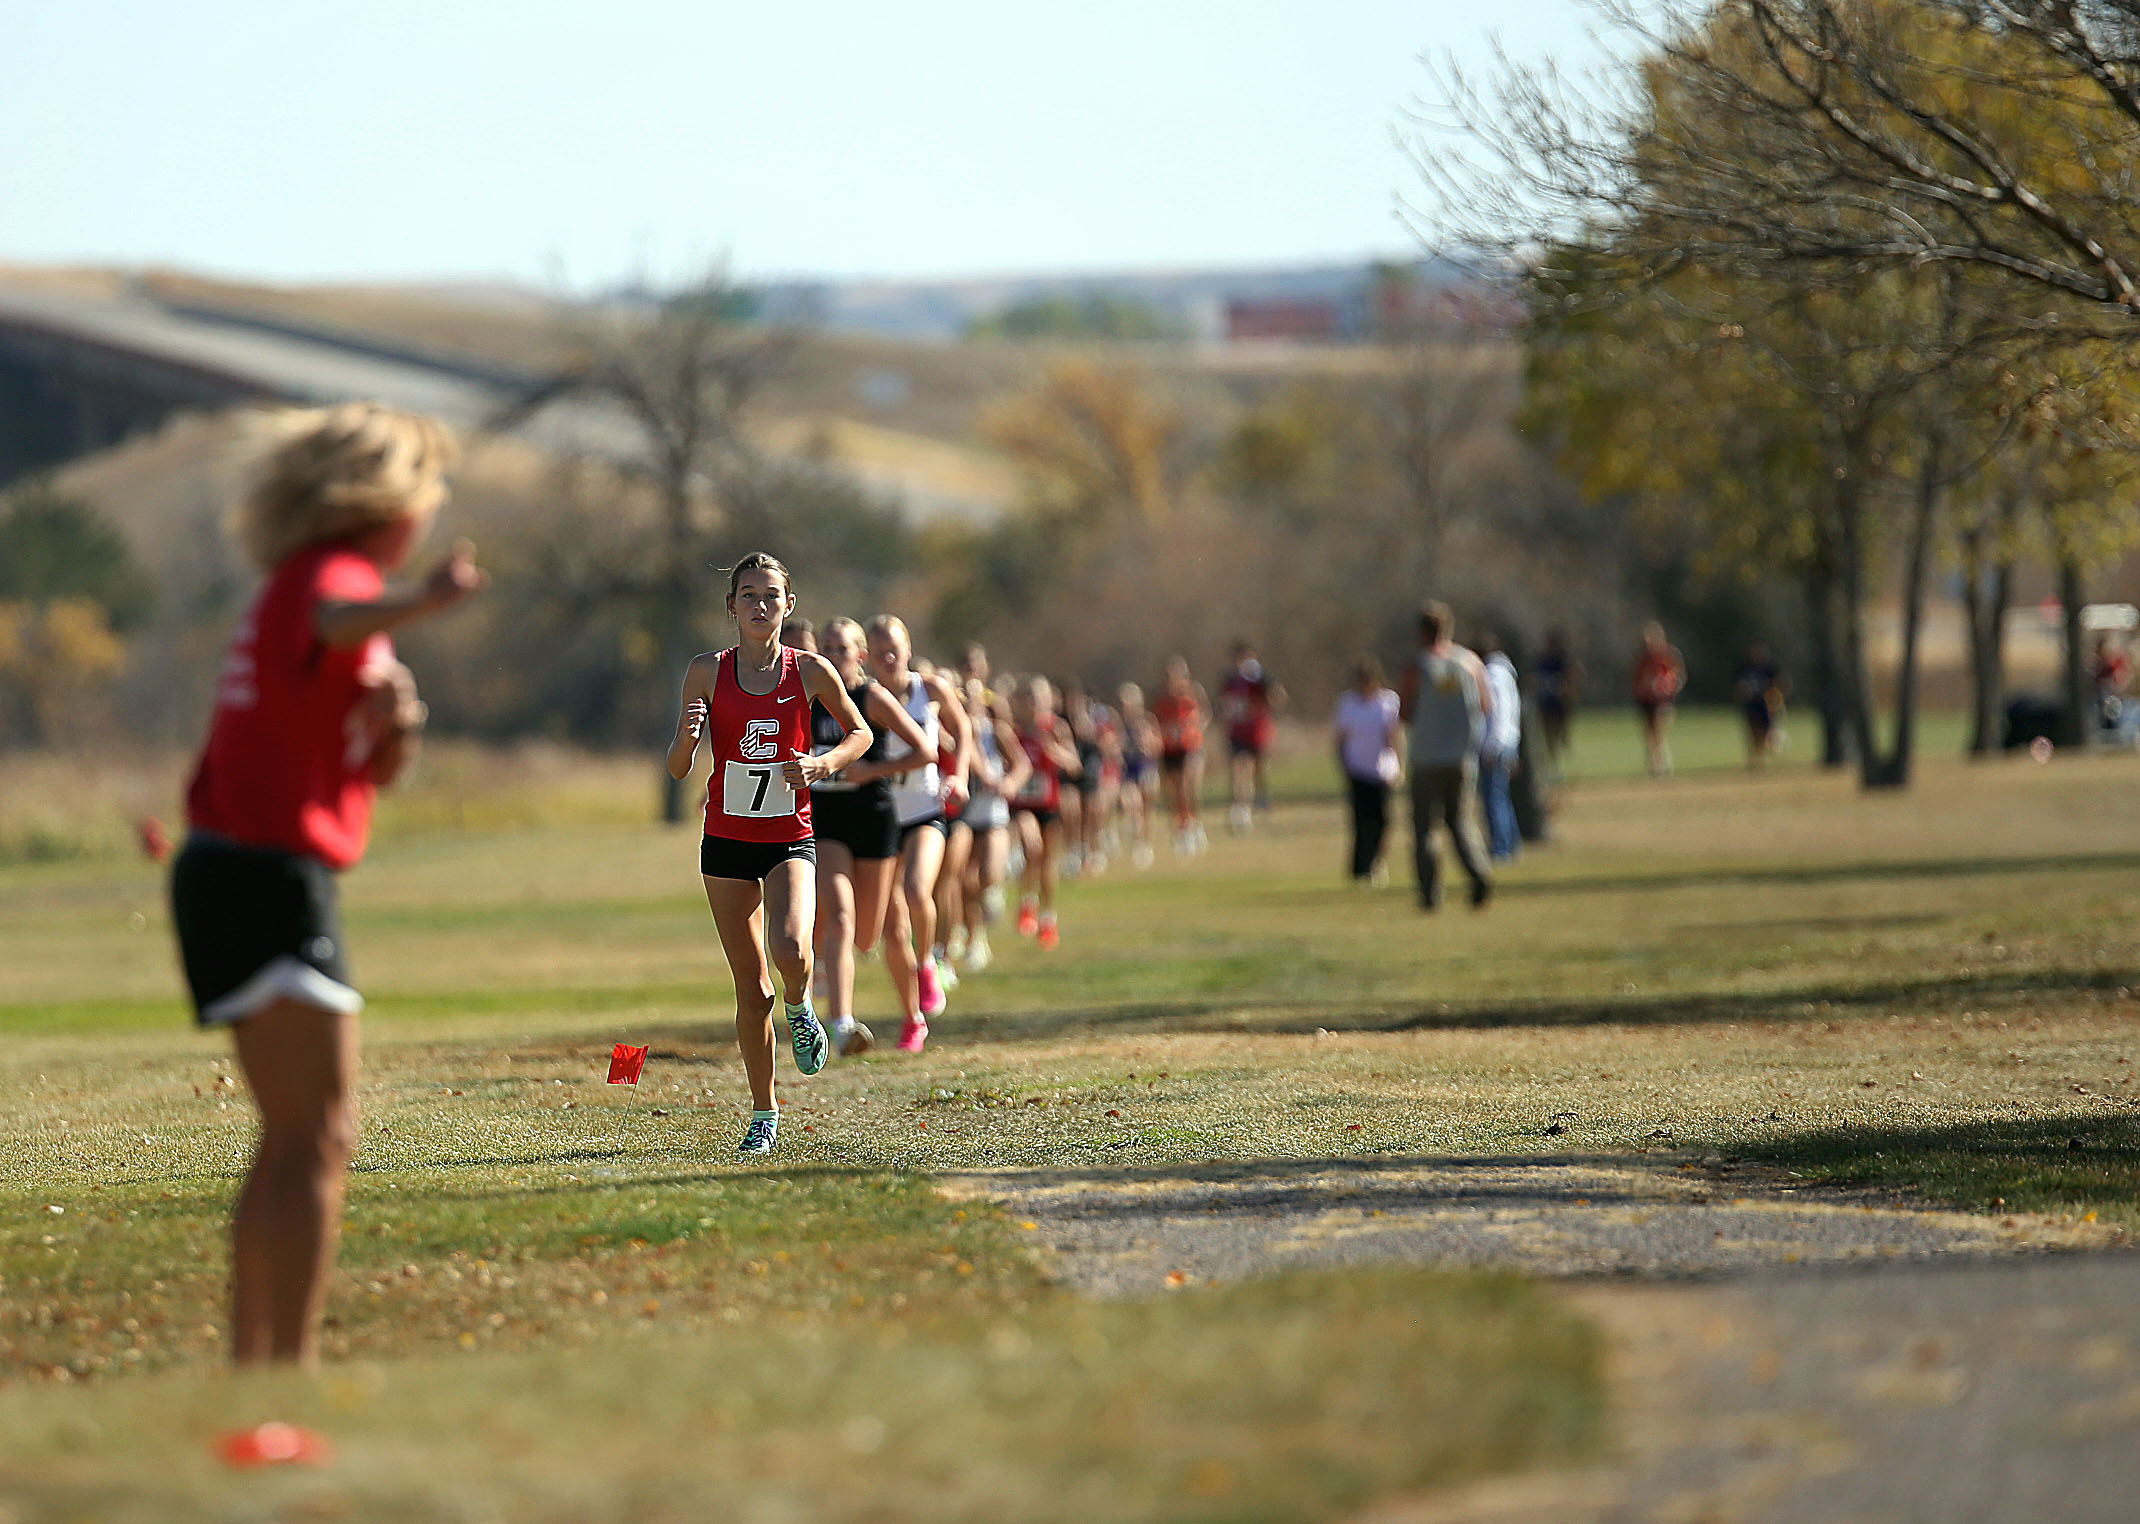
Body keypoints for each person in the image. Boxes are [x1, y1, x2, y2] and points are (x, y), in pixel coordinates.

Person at [170, 402, 484, 1366]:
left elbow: (370, 768)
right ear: (384, 498)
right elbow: (335, 617)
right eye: (425, 488)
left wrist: (399, 725)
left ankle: (253, 1370)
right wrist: (424, 602)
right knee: (321, 1133)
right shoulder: (328, 577)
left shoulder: (316, 583)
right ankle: (285, 1375)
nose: (431, 507)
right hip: (265, 873)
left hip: (242, 867)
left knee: (297, 1134)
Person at [668, 554, 871, 1156]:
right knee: (751, 989)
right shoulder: (706, 672)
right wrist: (689, 734)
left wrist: (822, 763)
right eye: (748, 595)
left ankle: (804, 1004)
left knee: (792, 946)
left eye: (772, 595)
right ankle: (764, 1111)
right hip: (726, 839)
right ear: (731, 607)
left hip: (789, 834)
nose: (761, 604)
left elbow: (858, 733)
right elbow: (679, 768)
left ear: (790, 604)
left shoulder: (808, 672)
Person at [806, 617, 936, 1059]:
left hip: (875, 820)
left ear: (860, 656)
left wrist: (871, 771)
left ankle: (913, 1010)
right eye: (825, 648)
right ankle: (840, 1024)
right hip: (827, 821)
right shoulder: (808, 700)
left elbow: (925, 750)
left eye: (841, 649)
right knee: (838, 915)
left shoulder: (871, 698)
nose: (832, 657)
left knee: (869, 936)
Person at [865, 616, 972, 1053]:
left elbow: (963, 727)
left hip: (927, 811)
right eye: (878, 651)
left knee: (916, 890)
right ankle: (912, 1019)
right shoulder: (862, 697)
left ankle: (927, 962)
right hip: (881, 819)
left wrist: (960, 774)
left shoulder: (929, 688)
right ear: (866, 657)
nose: (888, 657)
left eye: (894, 648)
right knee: (892, 928)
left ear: (907, 647)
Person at [1398, 602, 1493, 910]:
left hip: (1426, 759)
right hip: (1462, 758)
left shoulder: (1418, 665)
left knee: (1425, 828)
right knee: (1461, 821)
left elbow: (1405, 712)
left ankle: (1430, 894)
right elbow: (1485, 705)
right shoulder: (1470, 662)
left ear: (1422, 632)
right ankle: (1478, 872)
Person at [946, 677, 1030, 973]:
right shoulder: (954, 731)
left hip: (993, 814)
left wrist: (1010, 783)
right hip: (966, 814)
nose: (969, 702)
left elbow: (1022, 763)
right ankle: (975, 937)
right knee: (965, 881)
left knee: (990, 874)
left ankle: (991, 899)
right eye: (963, 697)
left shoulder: (997, 731)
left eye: (974, 697)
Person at [1010, 675, 1081, 949]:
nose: (1033, 702)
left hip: (1048, 804)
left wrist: (1055, 753)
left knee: (1047, 864)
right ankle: (1027, 902)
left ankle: (1048, 918)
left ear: (1049, 700)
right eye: (1028, 696)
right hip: (1023, 805)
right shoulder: (1014, 730)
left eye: (1038, 697)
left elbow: (1075, 765)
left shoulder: (1056, 728)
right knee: (1032, 848)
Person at [1333, 656, 1402, 885]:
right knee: (1361, 822)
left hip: (1381, 770)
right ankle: (1360, 868)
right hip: (1357, 769)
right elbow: (1340, 739)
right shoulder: (1348, 704)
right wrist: (1342, 765)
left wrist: (1398, 765)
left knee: (1382, 821)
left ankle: (1376, 861)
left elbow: (1394, 736)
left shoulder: (1388, 702)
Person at [1220, 639, 1285, 831]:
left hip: (1257, 731)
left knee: (1259, 768)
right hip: (1237, 731)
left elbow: (1278, 697)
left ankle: (1261, 797)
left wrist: (1265, 689)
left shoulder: (1261, 678)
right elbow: (1224, 704)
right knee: (1239, 768)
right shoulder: (1230, 680)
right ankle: (1240, 809)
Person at [1151, 656, 1209, 856]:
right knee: (1175, 791)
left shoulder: (1193, 692)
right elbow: (1155, 721)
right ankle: (1181, 829)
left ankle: (1194, 824)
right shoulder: (1161, 698)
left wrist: (1193, 727)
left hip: (1190, 746)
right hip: (1170, 749)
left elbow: (1205, 714)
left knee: (1188, 787)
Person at [1478, 631, 1523, 862]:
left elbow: (1497, 714)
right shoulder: (1506, 673)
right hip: (1508, 741)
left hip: (1495, 745)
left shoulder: (1493, 675)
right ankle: (1511, 842)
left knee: (1493, 798)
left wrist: (1490, 745)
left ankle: (1501, 847)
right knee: (1502, 797)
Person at [1631, 622, 1685, 778]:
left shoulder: (1669, 655)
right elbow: (1637, 680)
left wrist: (1668, 687)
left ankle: (1661, 765)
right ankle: (1656, 764)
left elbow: (1679, 676)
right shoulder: (1643, 658)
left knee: (1659, 731)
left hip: (1663, 700)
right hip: (1647, 700)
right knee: (1649, 733)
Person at [1115, 681, 1159, 869]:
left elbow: (1157, 745)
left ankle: (1145, 842)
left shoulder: (1146, 722)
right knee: (1130, 801)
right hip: (1128, 770)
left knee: (1146, 809)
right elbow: (1114, 746)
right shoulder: (1120, 724)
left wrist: (1147, 746)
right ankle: (1134, 833)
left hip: (1146, 769)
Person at [1533, 629, 1580, 775]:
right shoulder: (1543, 661)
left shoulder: (1563, 660)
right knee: (1548, 735)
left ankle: (1562, 762)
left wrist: (1566, 689)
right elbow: (1535, 680)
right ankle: (1553, 765)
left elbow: (1573, 677)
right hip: (1547, 703)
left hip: (1561, 704)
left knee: (1562, 735)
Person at [1735, 640, 1786, 767]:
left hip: (1766, 705)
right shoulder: (1745, 668)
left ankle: (1773, 747)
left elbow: (1779, 685)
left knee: (1768, 733)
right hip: (1751, 704)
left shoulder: (1769, 668)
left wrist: (1776, 701)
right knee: (1753, 732)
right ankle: (1756, 760)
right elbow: (1739, 687)